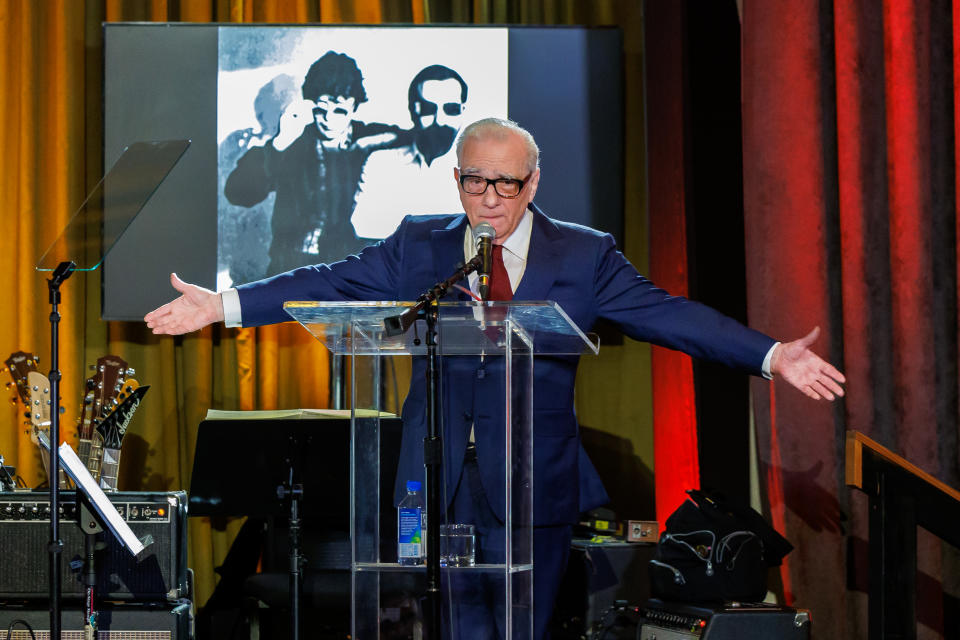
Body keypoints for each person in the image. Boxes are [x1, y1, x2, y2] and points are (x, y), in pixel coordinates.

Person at [146, 118, 845, 639]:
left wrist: (772, 354)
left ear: (532, 182)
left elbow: (669, 316)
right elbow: (332, 282)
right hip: (434, 478)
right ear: (457, 180)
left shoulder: (585, 255)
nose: (488, 198)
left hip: (532, 484)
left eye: (505, 183)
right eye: (474, 180)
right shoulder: (421, 243)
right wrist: (224, 305)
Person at [224, 51, 407, 276]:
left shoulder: (373, 137)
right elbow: (237, 193)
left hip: (348, 271)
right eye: (321, 110)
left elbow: (424, 147)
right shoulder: (293, 140)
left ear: (354, 107)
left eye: (339, 110)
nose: (329, 119)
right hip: (289, 271)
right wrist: (280, 142)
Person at [350, 65, 469, 238]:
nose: (440, 120)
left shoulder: (477, 170)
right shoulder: (380, 163)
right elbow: (362, 227)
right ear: (413, 110)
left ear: (462, 112)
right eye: (428, 109)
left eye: (451, 109)